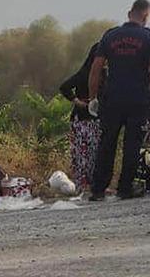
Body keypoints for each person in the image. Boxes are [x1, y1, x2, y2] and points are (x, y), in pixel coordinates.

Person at [88, 0, 150, 201]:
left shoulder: (110, 35)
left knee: (107, 143)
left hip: (112, 98)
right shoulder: (148, 38)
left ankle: (98, 189)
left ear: (129, 13)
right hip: (137, 99)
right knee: (132, 144)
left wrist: (93, 97)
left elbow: (96, 68)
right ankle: (124, 188)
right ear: (146, 16)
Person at [59, 43, 103, 192]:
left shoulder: (105, 74)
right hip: (83, 121)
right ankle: (82, 184)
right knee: (83, 154)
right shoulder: (85, 73)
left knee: (96, 154)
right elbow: (65, 87)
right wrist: (77, 101)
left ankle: (95, 183)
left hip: (97, 120)